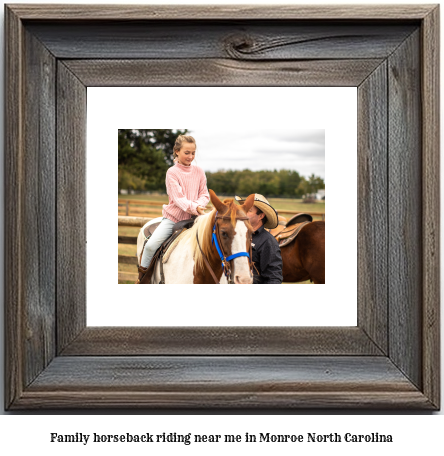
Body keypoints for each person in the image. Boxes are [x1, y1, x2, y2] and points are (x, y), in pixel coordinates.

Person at [137, 135, 210, 283]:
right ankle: (143, 279)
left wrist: (199, 206)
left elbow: (205, 194)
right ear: (176, 151)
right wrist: (196, 207)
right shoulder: (172, 172)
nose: (190, 156)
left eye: (193, 153)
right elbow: (178, 199)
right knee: (151, 246)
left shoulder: (199, 171)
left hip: (196, 219)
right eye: (186, 152)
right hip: (174, 220)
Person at [235, 194, 283, 284]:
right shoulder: (237, 235)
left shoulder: (268, 241)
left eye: (249, 210)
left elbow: (273, 278)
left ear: (261, 216)